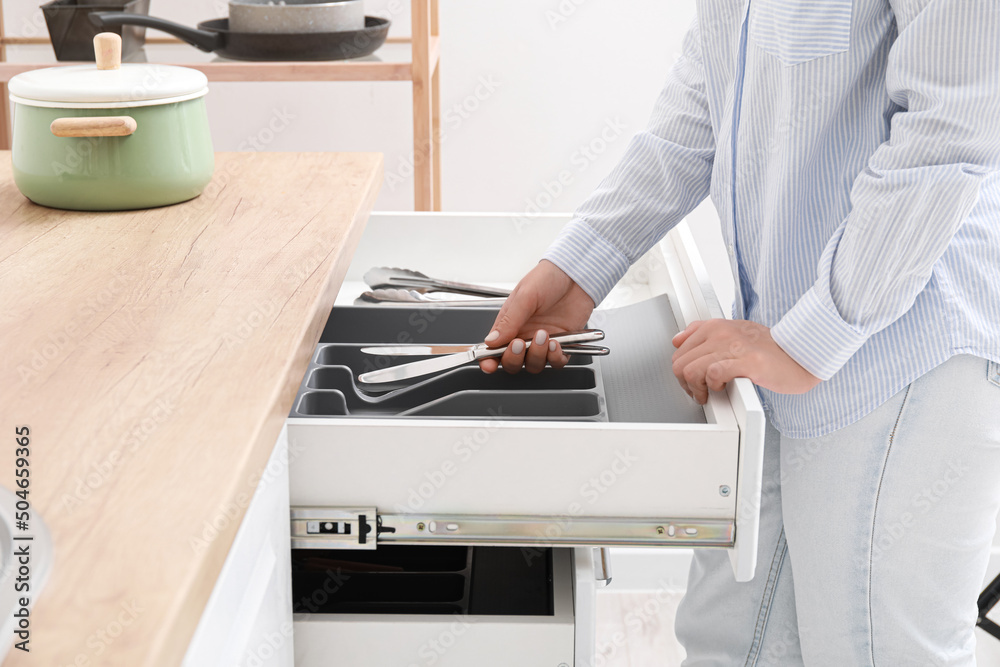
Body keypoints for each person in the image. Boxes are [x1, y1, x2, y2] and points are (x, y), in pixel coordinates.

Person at [480, 1, 1000, 664]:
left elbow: (953, 129)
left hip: (901, 349)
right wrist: (587, 262)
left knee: (876, 651)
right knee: (726, 641)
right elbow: (709, 83)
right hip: (778, 343)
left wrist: (807, 338)